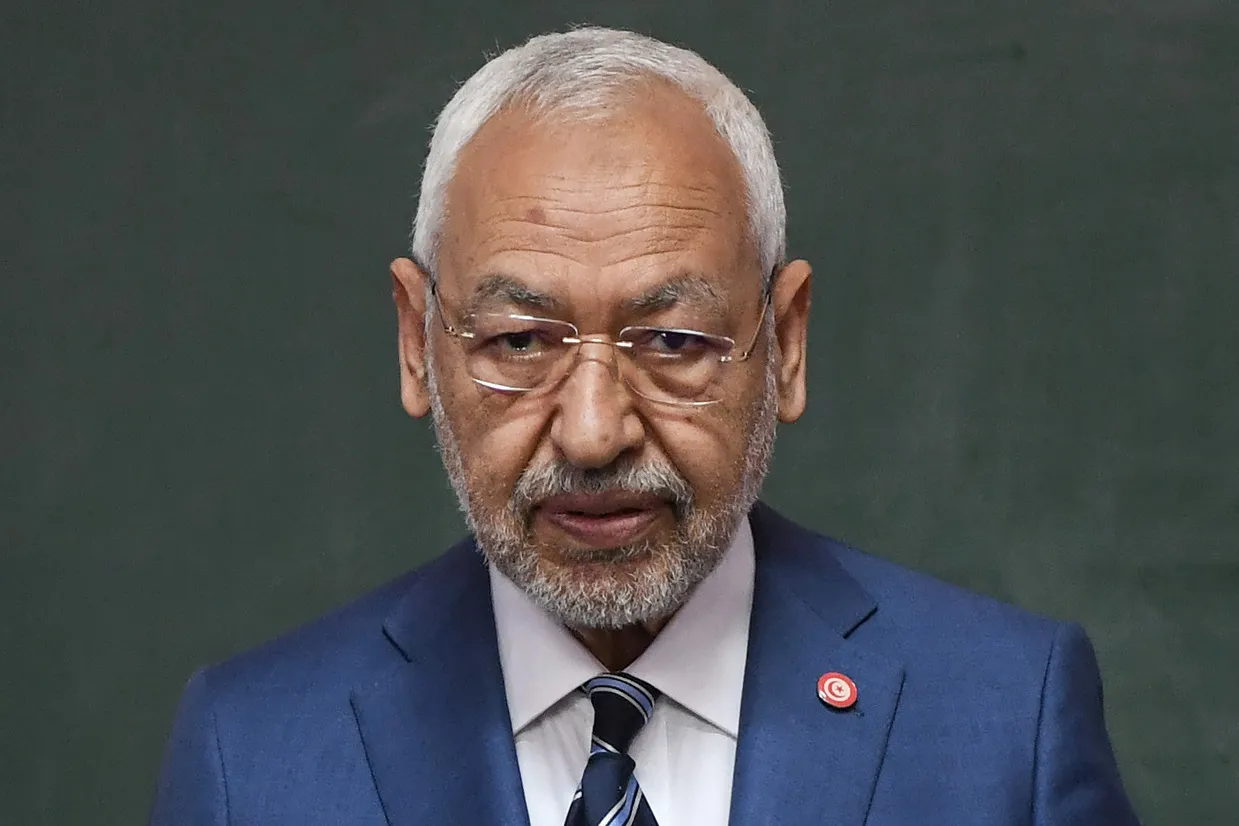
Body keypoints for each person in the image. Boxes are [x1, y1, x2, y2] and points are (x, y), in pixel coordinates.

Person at [150, 26, 1140, 826]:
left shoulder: (1006, 720)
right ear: (418, 344)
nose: (593, 433)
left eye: (672, 340)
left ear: (785, 343)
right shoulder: (256, 754)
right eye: (519, 341)